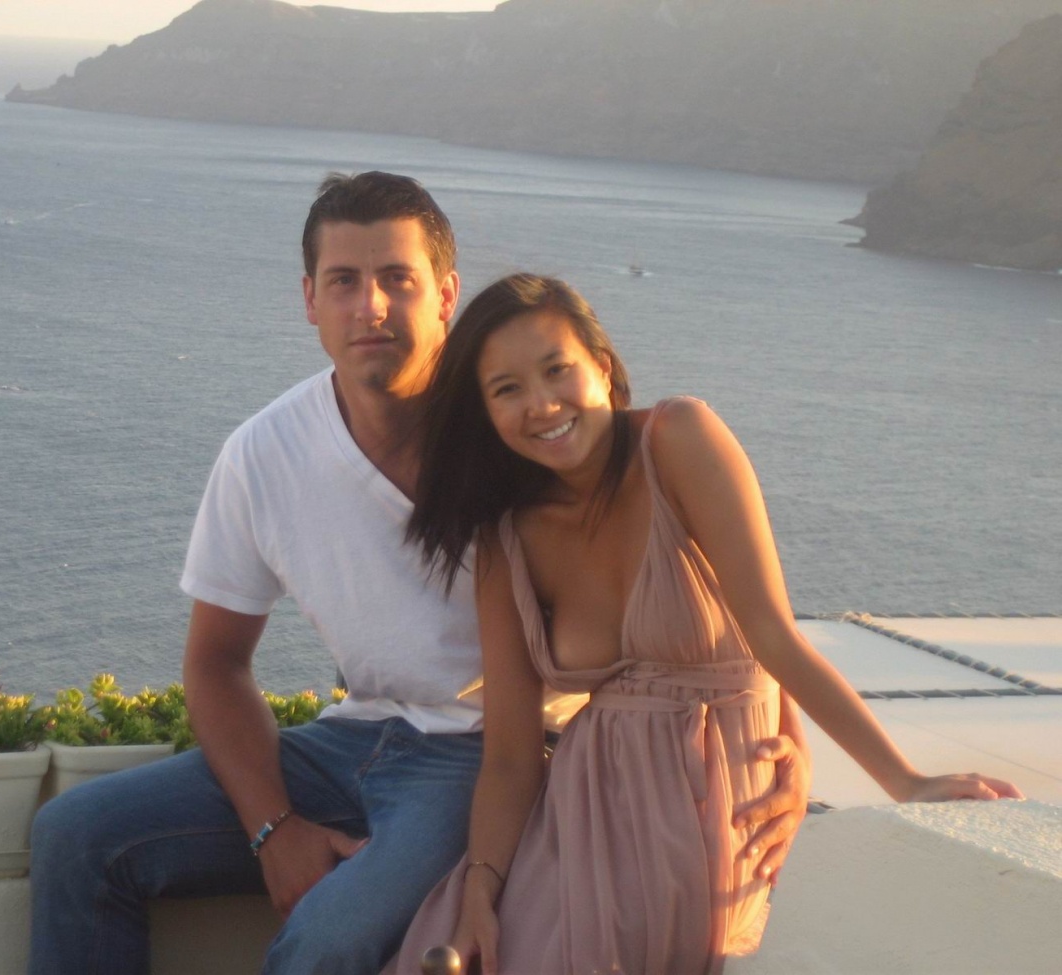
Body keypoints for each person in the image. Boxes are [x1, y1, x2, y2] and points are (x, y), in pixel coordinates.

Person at [27, 174, 812, 975]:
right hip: (347, 739)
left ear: (445, 295)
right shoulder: (263, 454)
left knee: (326, 940)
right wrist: (274, 828)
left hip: (482, 757)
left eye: (397, 279)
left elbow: (709, 586)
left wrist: (785, 736)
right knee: (75, 836)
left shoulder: (525, 432)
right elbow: (216, 661)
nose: (370, 306)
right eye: (344, 281)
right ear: (309, 299)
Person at [385, 274, 1024, 975]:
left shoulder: (678, 440)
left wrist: (905, 780)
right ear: (484, 413)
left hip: (712, 812)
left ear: (603, 366)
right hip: (580, 813)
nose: (541, 404)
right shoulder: (506, 537)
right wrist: (480, 889)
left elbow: (774, 636)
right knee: (451, 947)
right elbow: (510, 756)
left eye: (557, 369)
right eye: (507, 389)